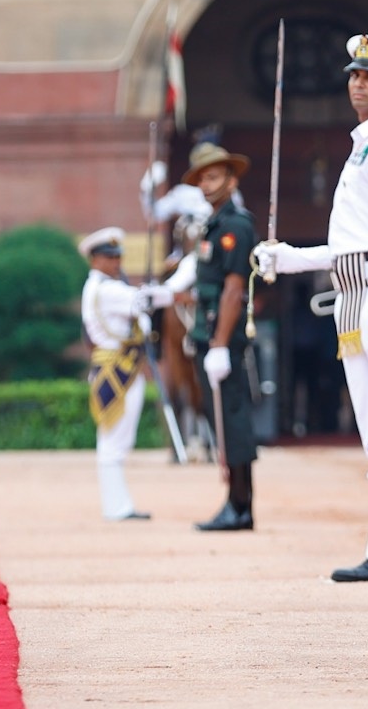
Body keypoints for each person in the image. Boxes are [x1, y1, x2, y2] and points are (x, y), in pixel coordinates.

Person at [258, 34, 368, 582]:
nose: (359, 83)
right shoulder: (367, 144)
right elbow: (352, 243)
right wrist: (289, 259)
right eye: (354, 75)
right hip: (356, 297)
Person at [185, 143, 260, 531]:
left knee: (233, 419)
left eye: (214, 176)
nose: (207, 184)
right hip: (208, 333)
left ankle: (241, 505)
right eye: (202, 178)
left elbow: (234, 290)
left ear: (231, 180)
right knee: (222, 423)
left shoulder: (235, 225)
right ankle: (235, 502)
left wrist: (218, 344)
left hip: (223, 338)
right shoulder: (213, 224)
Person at [79, 227, 170, 521]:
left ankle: (119, 506)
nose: (116, 262)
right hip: (118, 370)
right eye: (109, 257)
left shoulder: (103, 287)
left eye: (117, 256)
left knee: (115, 442)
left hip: (117, 367)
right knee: (113, 443)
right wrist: (167, 290)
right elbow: (144, 302)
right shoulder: (107, 290)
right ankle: (117, 509)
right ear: (95, 259)